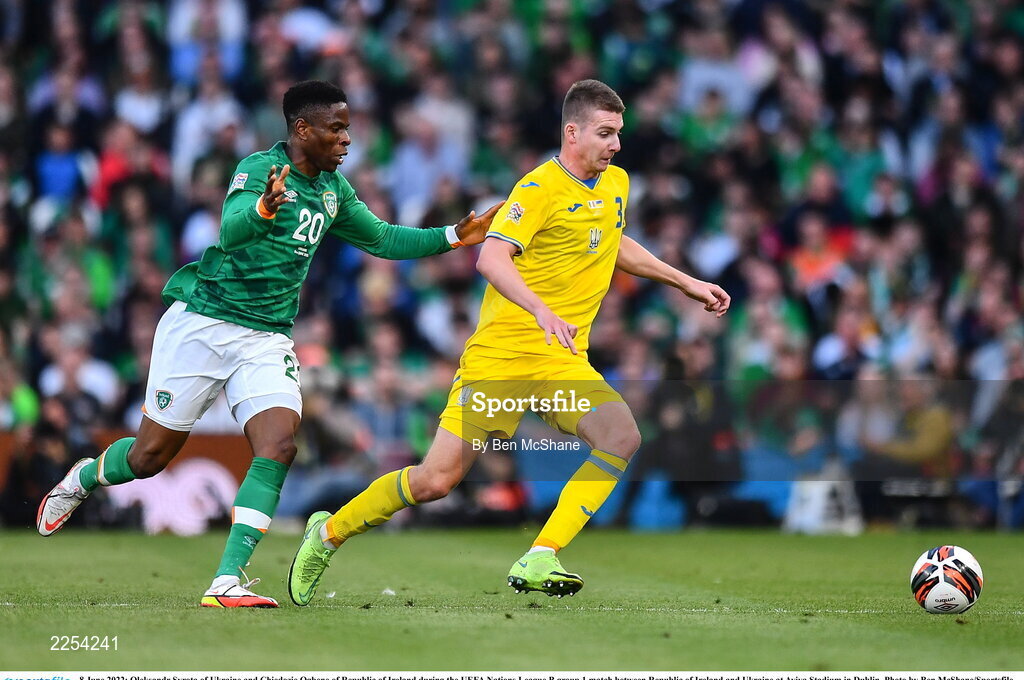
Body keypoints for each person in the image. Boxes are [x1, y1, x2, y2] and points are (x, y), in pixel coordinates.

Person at [35, 80, 503, 608]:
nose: (347, 139)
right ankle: (84, 476)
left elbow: (381, 237)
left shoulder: (333, 190)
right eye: (336, 128)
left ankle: (227, 580)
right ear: (302, 129)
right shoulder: (260, 169)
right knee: (147, 459)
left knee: (279, 445)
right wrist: (262, 209)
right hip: (205, 322)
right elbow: (230, 230)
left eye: (348, 128)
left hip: (266, 335)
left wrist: (452, 236)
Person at [287, 79, 730, 605]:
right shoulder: (538, 189)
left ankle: (541, 553)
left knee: (621, 436)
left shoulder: (616, 184)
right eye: (605, 133)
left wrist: (685, 281)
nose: (615, 144)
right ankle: (328, 533)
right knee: (435, 481)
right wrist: (541, 309)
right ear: (572, 133)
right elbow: (491, 257)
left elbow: (612, 241)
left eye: (618, 133)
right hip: (501, 359)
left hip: (561, 361)